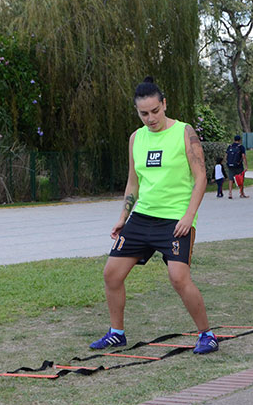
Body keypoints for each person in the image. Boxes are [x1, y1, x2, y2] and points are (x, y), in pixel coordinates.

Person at [90, 76, 218, 354]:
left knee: (178, 277)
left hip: (175, 219)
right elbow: (133, 182)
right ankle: (116, 333)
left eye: (155, 111)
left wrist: (189, 216)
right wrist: (123, 216)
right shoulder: (136, 138)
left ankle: (207, 335)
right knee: (111, 274)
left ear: (164, 104)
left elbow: (201, 178)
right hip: (142, 217)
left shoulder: (185, 132)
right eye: (143, 113)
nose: (150, 118)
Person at [226, 135, 249, 199]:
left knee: (230, 179)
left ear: (234, 139)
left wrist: (227, 163)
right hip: (238, 165)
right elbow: (243, 156)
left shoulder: (230, 146)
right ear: (240, 140)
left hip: (230, 165)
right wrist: (246, 166)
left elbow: (226, 156)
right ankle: (242, 193)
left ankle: (230, 193)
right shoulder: (241, 147)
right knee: (240, 178)